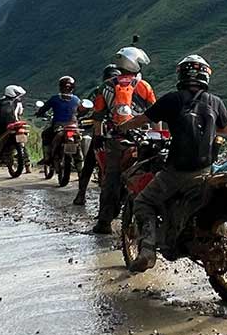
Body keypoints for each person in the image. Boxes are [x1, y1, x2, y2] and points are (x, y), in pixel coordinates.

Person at [116, 54, 227, 272]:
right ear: (205, 76)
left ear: (181, 75)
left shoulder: (172, 99)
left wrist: (122, 127)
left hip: (177, 173)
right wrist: (207, 129)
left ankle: (148, 250)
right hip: (205, 171)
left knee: (143, 202)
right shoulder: (215, 102)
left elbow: (143, 120)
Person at [92, 47, 156, 233]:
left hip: (116, 140)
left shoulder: (106, 86)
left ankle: (104, 222)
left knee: (111, 179)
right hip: (143, 139)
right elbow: (154, 114)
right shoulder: (144, 86)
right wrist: (157, 134)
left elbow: (97, 117)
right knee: (149, 172)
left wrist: (98, 137)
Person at [73, 64, 122, 207]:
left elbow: (93, 113)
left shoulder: (101, 89)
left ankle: (81, 194)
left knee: (89, 161)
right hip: (125, 131)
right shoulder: (130, 88)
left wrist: (82, 112)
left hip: (104, 130)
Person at [35, 75, 84, 165]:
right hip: (73, 126)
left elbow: (44, 109)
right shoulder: (76, 99)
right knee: (78, 142)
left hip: (59, 125)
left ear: (60, 87)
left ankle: (47, 157)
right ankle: (80, 165)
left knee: (45, 134)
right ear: (73, 88)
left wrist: (39, 113)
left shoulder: (55, 99)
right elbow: (81, 111)